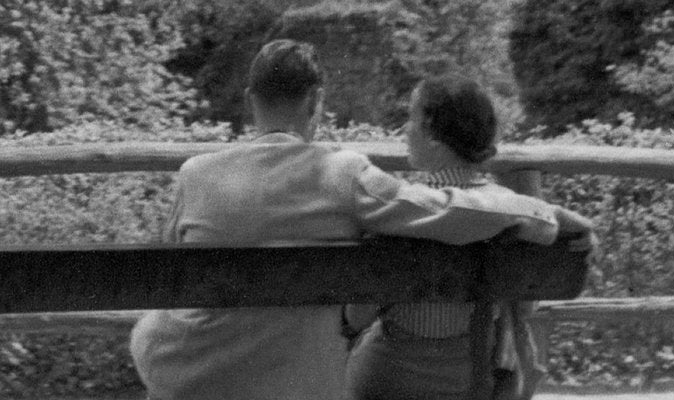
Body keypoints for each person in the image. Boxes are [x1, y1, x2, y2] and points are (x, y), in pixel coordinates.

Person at [129, 40, 584, 400]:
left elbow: (171, 280)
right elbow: (446, 210)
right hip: (299, 386)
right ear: (316, 102)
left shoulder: (196, 174)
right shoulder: (342, 174)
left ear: (251, 101)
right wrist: (542, 212)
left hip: (185, 376)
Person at [344, 74, 596, 400]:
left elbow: (357, 316)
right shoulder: (511, 212)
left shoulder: (401, 211)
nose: (404, 129)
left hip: (386, 380)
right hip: (465, 380)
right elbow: (527, 296)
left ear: (433, 136)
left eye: (412, 118)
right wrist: (560, 218)